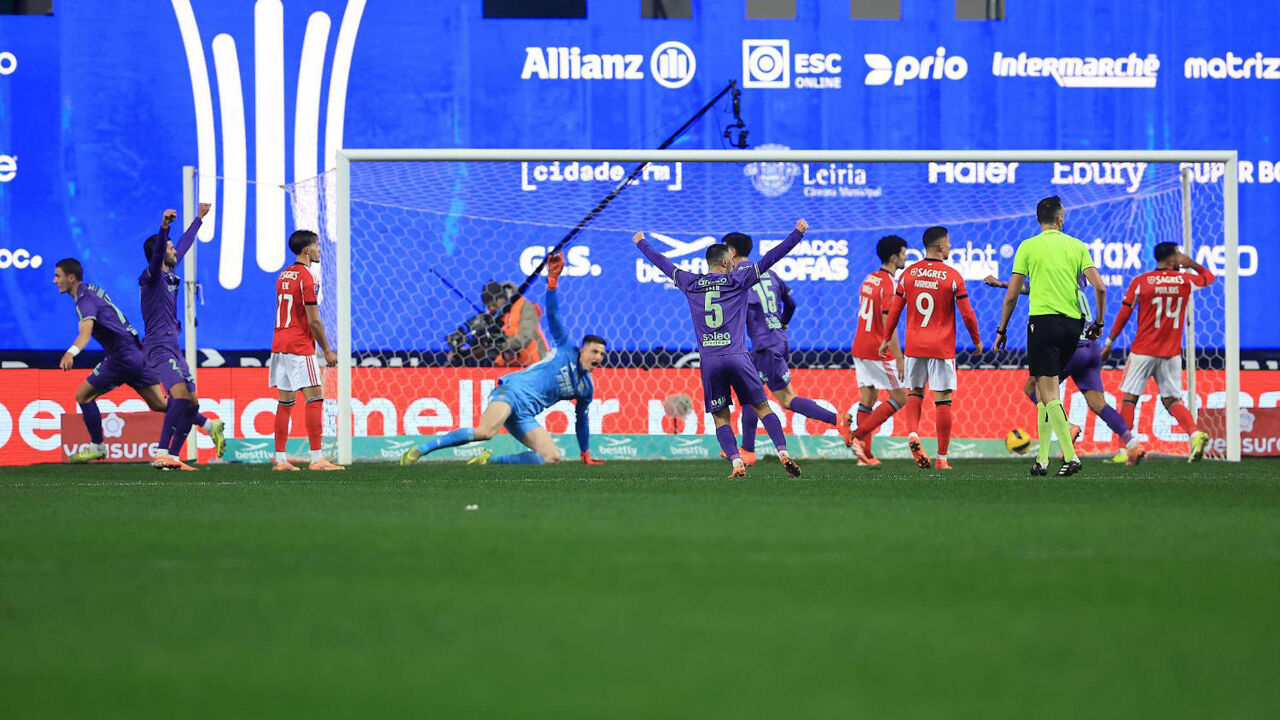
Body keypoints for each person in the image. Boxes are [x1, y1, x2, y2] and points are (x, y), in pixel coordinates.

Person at [634, 220, 809, 479]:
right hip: (739, 357)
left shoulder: (690, 282)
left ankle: (736, 461)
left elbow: (662, 262)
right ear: (726, 263)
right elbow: (773, 256)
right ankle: (783, 452)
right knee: (762, 407)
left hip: (711, 360)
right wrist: (797, 234)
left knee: (720, 418)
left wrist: (641, 242)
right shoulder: (737, 281)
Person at [401, 253, 606, 466]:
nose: (598, 357)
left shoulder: (585, 388)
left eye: (601, 354)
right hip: (512, 392)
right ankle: (421, 450)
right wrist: (552, 282)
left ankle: (488, 461)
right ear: (582, 350)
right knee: (485, 431)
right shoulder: (565, 348)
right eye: (594, 351)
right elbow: (554, 315)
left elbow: (582, 420)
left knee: (552, 457)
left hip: (526, 414)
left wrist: (585, 453)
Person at [994, 196, 1107, 477]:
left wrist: (1002, 329)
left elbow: (1012, 295)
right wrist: (1099, 322)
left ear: (1038, 220)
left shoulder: (1028, 246)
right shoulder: (1077, 246)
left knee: (1046, 391)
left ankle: (1070, 456)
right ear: (1059, 219)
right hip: (1073, 327)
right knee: (1045, 395)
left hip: (1043, 325)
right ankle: (1042, 459)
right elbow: (1101, 288)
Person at [984, 274, 1146, 465]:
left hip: (1072, 347)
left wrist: (1002, 284)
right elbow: (1098, 287)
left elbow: (1027, 288)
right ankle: (1132, 444)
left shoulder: (1055, 280)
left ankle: (1068, 426)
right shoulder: (1080, 279)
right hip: (1091, 346)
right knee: (1097, 403)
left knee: (1033, 387)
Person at [719, 232, 848, 466]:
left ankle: (748, 451)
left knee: (751, 397)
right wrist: (783, 321)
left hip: (763, 346)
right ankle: (838, 421)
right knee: (786, 398)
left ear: (733, 252)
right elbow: (792, 302)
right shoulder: (769, 273)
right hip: (779, 339)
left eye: (724, 250)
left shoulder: (738, 277)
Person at [867, 227, 982, 471]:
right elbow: (968, 314)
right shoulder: (952, 276)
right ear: (941, 247)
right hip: (941, 347)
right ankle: (941, 457)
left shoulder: (908, 274)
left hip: (915, 346)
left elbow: (895, 310)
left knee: (915, 394)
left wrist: (886, 338)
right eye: (949, 243)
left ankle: (912, 434)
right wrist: (977, 340)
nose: (950, 247)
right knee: (943, 400)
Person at [1104, 242, 1215, 462]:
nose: (1182, 258)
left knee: (1129, 399)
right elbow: (1208, 277)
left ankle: (1125, 450)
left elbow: (1124, 314)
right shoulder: (1185, 281)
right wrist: (1192, 264)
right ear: (1172, 260)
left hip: (1143, 351)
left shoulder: (1141, 282)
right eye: (1179, 254)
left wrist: (1109, 342)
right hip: (1171, 352)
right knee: (1172, 400)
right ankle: (1194, 433)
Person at [54, 258, 170, 463]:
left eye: (58, 276)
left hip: (121, 356)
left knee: (83, 397)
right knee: (160, 404)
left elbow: (85, 334)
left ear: (71, 278)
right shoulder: (91, 290)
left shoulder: (84, 299)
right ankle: (207, 423)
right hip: (137, 351)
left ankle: (97, 446)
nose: (55, 281)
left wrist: (71, 352)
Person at [138, 206, 226, 469]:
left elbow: (185, 244)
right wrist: (164, 226)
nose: (176, 250)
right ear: (161, 251)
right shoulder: (150, 277)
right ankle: (162, 451)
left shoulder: (171, 275)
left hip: (172, 346)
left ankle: (175, 457)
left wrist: (199, 219)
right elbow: (157, 257)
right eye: (170, 247)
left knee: (192, 402)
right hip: (157, 347)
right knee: (178, 395)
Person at [268, 230, 344, 471]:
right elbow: (314, 321)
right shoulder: (307, 277)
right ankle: (317, 459)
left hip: (279, 344)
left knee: (285, 402)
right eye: (317, 246)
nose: (319, 250)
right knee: (315, 399)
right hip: (299, 346)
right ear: (307, 250)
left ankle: (280, 459)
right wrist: (328, 351)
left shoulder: (284, 275)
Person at [844, 235, 910, 467]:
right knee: (901, 397)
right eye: (903, 253)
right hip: (877, 350)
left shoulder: (869, 278)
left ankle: (866, 456)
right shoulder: (890, 284)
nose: (905, 257)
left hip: (859, 345)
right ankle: (856, 436)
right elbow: (887, 325)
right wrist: (899, 358)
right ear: (894, 257)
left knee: (869, 397)